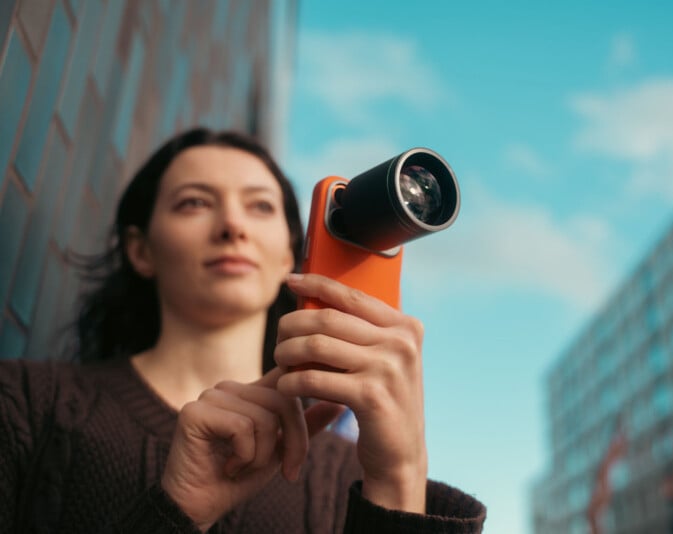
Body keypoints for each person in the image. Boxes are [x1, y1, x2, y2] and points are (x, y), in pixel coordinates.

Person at [0, 128, 486, 533]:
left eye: (259, 207)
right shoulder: (23, 404)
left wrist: (400, 480)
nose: (233, 225)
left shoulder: (352, 474)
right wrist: (178, 510)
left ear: (289, 253)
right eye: (194, 203)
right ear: (140, 249)